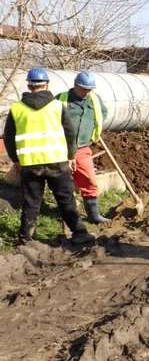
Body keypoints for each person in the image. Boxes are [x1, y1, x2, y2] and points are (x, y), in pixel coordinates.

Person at [4, 67, 95, 245]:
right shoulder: (57, 106)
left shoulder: (16, 109)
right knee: (65, 200)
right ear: (47, 84)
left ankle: (26, 240)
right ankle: (79, 234)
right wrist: (70, 156)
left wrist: (16, 161)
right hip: (57, 162)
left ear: (29, 86)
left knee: (31, 202)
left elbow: (9, 137)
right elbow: (70, 134)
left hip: (30, 165)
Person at [56, 71, 110, 224]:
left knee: (89, 180)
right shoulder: (61, 99)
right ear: (75, 85)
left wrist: (90, 126)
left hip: (82, 148)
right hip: (61, 148)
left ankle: (94, 216)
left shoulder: (94, 99)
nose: (87, 92)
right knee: (61, 183)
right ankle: (66, 215)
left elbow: (102, 114)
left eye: (90, 89)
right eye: (84, 89)